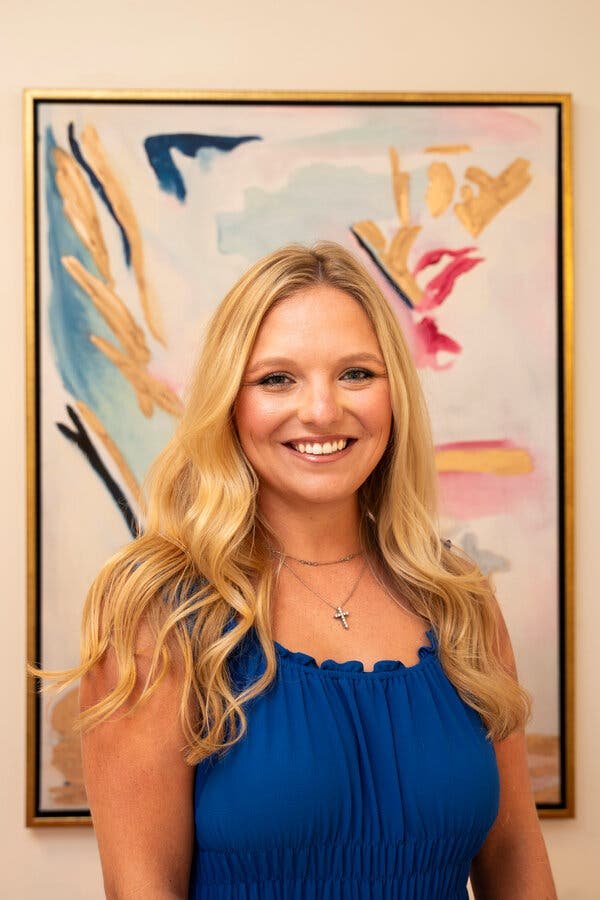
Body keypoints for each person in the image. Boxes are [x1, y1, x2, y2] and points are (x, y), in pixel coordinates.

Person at [32, 241, 557, 898]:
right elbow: (143, 887)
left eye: (356, 374)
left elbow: (515, 858)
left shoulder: (461, 601)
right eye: (277, 378)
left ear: (395, 393)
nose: (320, 411)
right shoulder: (160, 613)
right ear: (230, 400)